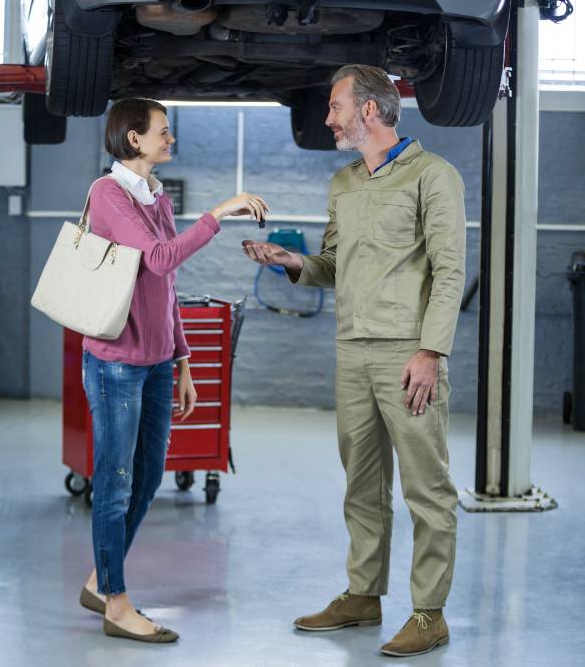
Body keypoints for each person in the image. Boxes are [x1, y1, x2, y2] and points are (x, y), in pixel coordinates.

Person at [242, 64, 465, 657]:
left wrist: (430, 350)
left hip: (407, 355)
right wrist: (290, 263)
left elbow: (449, 272)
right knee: (361, 484)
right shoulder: (343, 183)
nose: (328, 118)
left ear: (370, 110)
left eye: (336, 107)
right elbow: (333, 266)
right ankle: (363, 595)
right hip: (353, 350)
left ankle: (429, 612)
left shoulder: (434, 176)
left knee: (427, 488)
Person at [79, 97, 268, 643]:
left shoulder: (155, 196)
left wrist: (183, 359)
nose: (172, 138)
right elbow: (160, 259)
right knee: (114, 483)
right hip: (115, 364)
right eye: (163, 131)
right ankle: (116, 604)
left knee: (147, 477)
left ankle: (99, 580)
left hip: (158, 362)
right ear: (133, 138)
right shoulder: (107, 193)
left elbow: (166, 288)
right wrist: (220, 212)